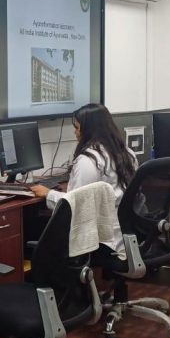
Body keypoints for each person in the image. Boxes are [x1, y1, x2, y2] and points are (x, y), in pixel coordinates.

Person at [30, 103, 137, 255]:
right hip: (126, 237)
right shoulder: (128, 154)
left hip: (102, 242)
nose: (75, 132)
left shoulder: (89, 161)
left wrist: (48, 194)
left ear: (88, 129)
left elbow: (74, 206)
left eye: (77, 128)